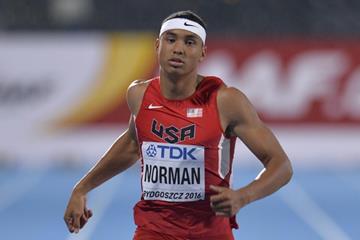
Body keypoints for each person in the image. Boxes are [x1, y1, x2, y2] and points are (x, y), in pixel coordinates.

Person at [64, 10, 293, 240]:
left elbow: (281, 165)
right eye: (171, 39)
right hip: (154, 230)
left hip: (210, 233)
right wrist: (82, 188)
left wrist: (243, 196)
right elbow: (133, 144)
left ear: (202, 52)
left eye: (190, 42)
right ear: (157, 45)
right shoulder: (139, 95)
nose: (178, 49)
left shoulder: (226, 101)